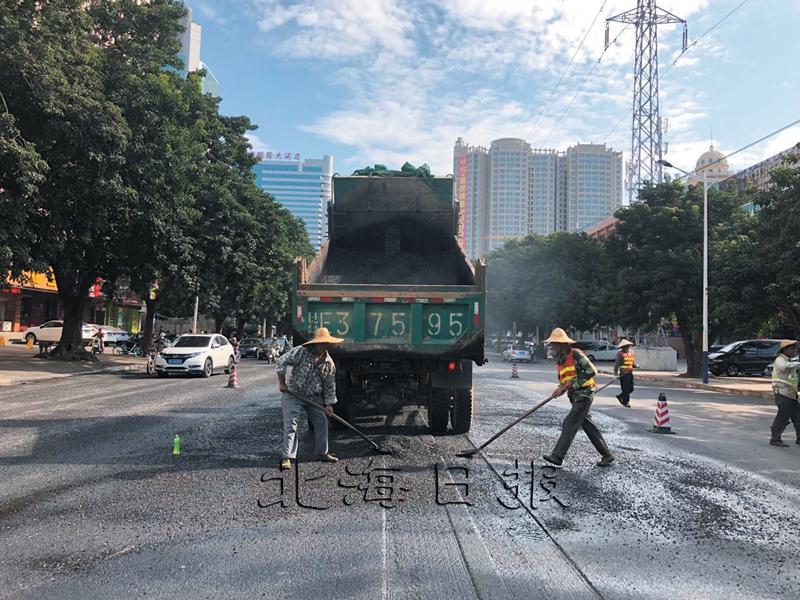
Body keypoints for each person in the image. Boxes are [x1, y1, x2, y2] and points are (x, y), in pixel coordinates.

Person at [542, 327, 615, 467]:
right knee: (589, 427)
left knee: (569, 423)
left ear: (562, 344)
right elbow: (564, 381)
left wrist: (571, 384)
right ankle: (607, 455)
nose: (551, 346)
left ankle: (558, 456)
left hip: (584, 394)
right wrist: (559, 389)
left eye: (554, 343)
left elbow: (592, 371)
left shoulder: (575, 354)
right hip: (574, 397)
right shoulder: (560, 360)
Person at [275, 327, 342, 470]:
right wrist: (282, 383)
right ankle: (287, 457)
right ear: (315, 343)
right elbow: (281, 361)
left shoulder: (329, 363)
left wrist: (329, 404)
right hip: (293, 394)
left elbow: (330, 385)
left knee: (322, 421)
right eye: (321, 343)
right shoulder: (301, 351)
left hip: (314, 397)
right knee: (291, 425)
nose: (323, 345)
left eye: (326, 343)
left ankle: (322, 453)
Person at [770, 339, 800, 447]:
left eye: (795, 348)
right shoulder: (780, 360)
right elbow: (785, 367)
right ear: (785, 349)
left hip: (791, 394)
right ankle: (775, 439)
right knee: (783, 417)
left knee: (798, 417)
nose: (794, 350)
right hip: (782, 393)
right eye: (792, 348)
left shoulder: (790, 360)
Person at [614, 339, 639, 407]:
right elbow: (616, 365)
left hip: (630, 373)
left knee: (631, 388)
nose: (627, 347)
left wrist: (635, 366)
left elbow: (632, 364)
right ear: (623, 347)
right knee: (625, 388)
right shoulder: (620, 354)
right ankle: (626, 402)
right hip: (623, 374)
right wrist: (615, 374)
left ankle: (620, 396)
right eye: (626, 346)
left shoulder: (630, 353)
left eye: (628, 346)